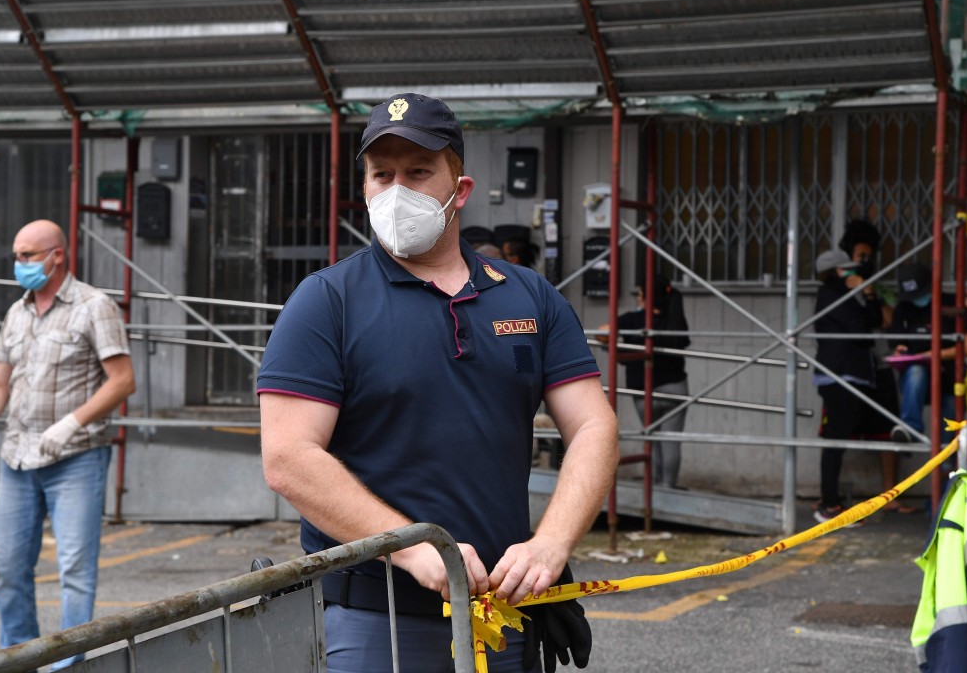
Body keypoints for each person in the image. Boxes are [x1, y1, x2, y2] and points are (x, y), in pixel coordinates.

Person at [258, 94, 618, 672]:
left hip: (502, 617)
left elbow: (594, 425)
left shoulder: (530, 296)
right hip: (374, 625)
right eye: (382, 174)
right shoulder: (326, 301)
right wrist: (408, 545)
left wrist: (552, 543)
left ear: (461, 188)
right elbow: (288, 457)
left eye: (419, 171)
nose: (397, 189)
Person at [0, 219, 134, 669]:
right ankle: (20, 657)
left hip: (75, 458)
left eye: (27, 255)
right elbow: (0, 382)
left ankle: (71, 663)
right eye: (16, 255)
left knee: (75, 571)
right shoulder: (17, 313)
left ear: (57, 255)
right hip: (18, 459)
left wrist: (70, 424)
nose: (19, 264)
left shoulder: (95, 306)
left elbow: (122, 381)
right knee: (7, 568)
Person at [837, 219, 915, 513]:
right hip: (850, 368)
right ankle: (834, 496)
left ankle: (890, 496)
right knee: (840, 430)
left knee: (888, 427)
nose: (864, 261)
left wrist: (869, 290)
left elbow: (887, 320)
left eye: (868, 256)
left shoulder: (877, 286)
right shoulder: (837, 286)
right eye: (860, 256)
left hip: (880, 366)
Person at [812, 248, 884, 523]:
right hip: (839, 375)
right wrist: (863, 294)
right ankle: (828, 504)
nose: (853, 273)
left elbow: (874, 321)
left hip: (851, 374)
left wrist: (868, 293)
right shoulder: (831, 295)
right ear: (838, 271)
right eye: (848, 269)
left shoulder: (842, 295)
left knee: (839, 437)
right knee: (835, 439)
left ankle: (830, 500)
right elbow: (862, 327)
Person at [611, 274, 691, 489]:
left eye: (639, 294)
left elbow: (602, 332)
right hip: (674, 388)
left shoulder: (631, 320)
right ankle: (668, 486)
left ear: (645, 297)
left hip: (642, 391)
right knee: (670, 439)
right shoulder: (675, 319)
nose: (637, 298)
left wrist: (620, 347)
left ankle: (654, 485)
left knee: (652, 438)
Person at [889, 263, 967, 444]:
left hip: (950, 379)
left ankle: (947, 466)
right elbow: (896, 345)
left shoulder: (952, 303)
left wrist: (934, 355)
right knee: (917, 371)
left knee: (947, 444)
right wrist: (900, 352)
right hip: (918, 382)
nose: (917, 300)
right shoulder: (904, 309)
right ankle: (910, 428)